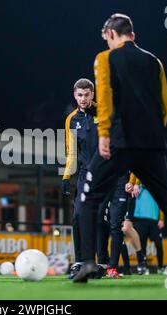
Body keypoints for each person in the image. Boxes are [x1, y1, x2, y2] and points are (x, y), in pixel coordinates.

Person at [73, 14, 167, 283]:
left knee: (87, 200)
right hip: (152, 145)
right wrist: (155, 134)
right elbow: (166, 106)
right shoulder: (154, 61)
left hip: (120, 143)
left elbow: (106, 99)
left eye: (106, 39)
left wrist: (103, 136)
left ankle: (88, 263)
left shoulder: (104, 59)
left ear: (111, 34)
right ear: (132, 35)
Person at [61, 78, 107, 279]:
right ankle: (80, 262)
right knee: (78, 216)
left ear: (93, 94)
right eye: (79, 95)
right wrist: (66, 177)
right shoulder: (71, 119)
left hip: (105, 174)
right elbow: (71, 152)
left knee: (100, 219)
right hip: (83, 175)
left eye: (86, 95)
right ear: (74, 94)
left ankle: (102, 263)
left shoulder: (104, 112)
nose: (83, 99)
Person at [132, 182, 167, 274]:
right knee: (141, 245)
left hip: (154, 220)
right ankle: (144, 268)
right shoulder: (137, 186)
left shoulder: (156, 188)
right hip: (140, 220)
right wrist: (135, 185)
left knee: (159, 244)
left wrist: (161, 219)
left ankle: (160, 267)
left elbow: (161, 204)